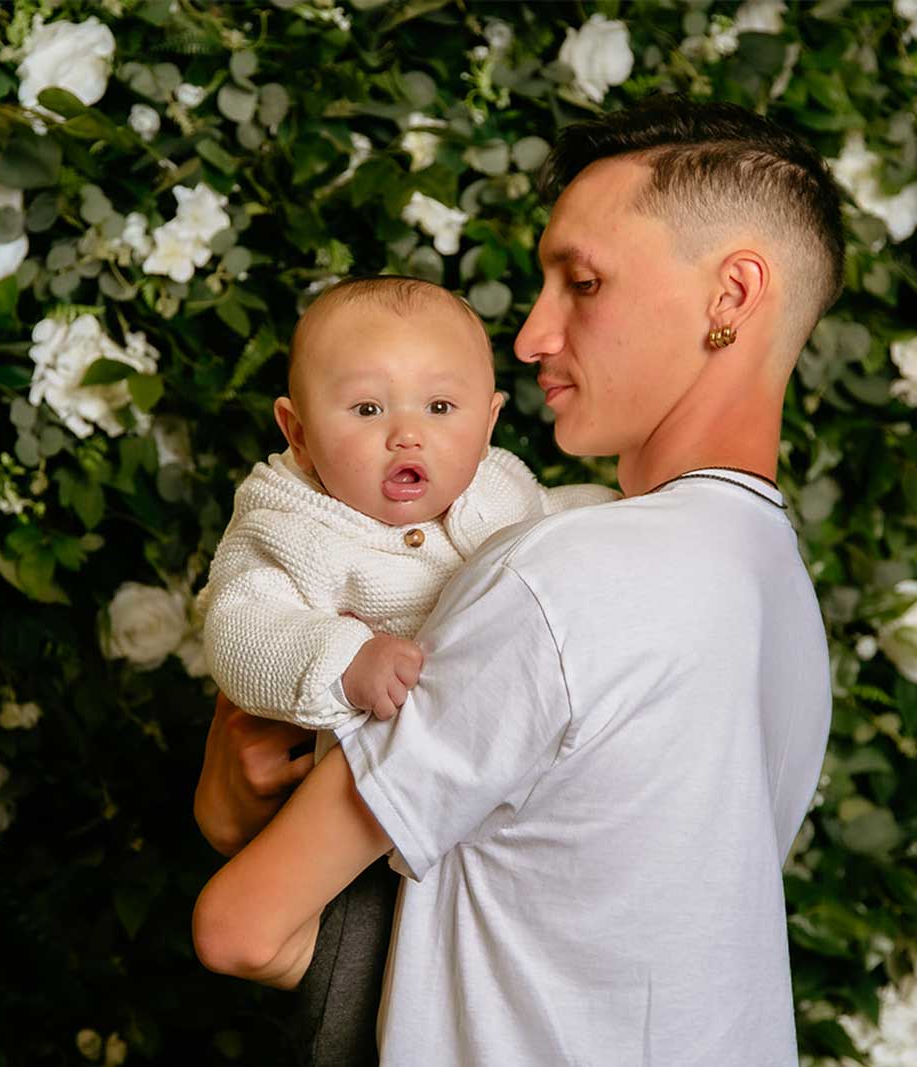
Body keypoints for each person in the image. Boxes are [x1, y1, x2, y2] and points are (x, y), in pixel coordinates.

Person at [192, 94, 844, 1065]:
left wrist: (226, 804)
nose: (533, 334)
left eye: (582, 282)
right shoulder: (779, 593)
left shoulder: (566, 575)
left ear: (731, 296)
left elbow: (242, 927)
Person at [197, 275, 615, 1064]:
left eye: (441, 407)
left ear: (489, 422)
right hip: (357, 822)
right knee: (359, 988)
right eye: (366, 409)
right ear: (297, 431)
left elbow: (554, 529)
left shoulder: (498, 488)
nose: (406, 436)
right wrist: (343, 658)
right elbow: (242, 627)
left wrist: (624, 513)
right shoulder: (290, 519)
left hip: (480, 819)